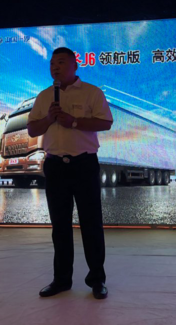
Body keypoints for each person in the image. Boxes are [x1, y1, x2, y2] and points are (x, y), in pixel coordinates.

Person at [27, 47, 113, 299]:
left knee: (91, 223)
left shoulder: (92, 92)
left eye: (61, 62)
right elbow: (32, 129)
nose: (55, 67)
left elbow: (106, 122)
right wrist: (49, 119)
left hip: (84, 164)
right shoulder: (45, 96)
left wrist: (73, 121)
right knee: (60, 225)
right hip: (55, 166)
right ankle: (62, 280)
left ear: (75, 65)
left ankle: (97, 279)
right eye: (52, 63)